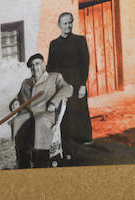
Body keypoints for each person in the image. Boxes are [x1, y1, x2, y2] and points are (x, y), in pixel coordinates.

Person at [10, 53, 73, 168]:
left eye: (37, 64)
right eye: (32, 66)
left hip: (45, 113)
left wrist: (54, 102)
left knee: (40, 122)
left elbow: (67, 89)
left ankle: (41, 163)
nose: (35, 67)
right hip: (28, 115)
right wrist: (15, 102)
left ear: (43, 64)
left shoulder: (54, 77)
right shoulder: (26, 82)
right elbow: (18, 97)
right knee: (17, 122)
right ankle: (23, 162)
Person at [46, 12, 93, 151]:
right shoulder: (54, 44)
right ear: (59, 25)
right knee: (63, 110)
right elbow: (51, 67)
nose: (68, 26)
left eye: (70, 22)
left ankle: (84, 138)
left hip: (77, 80)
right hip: (61, 83)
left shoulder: (80, 40)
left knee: (79, 108)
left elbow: (85, 63)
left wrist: (83, 84)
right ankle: (67, 139)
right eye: (65, 23)